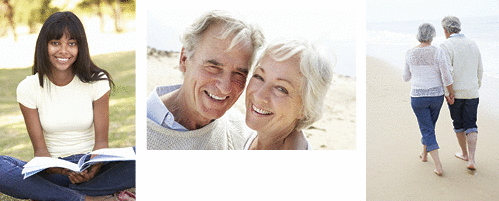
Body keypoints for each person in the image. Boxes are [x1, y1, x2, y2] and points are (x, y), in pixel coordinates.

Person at [0, 12, 135, 201]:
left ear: (80, 47)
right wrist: (60, 169)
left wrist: (94, 166)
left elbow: (102, 144)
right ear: (44, 46)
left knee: (144, 155)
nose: (64, 51)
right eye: (56, 43)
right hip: (55, 172)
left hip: (93, 168)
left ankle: (56, 195)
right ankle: (88, 198)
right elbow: (40, 152)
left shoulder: (97, 82)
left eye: (71, 43)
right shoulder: (28, 88)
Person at [147, 10, 264, 150]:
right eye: (213, 67)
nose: (225, 87)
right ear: (184, 59)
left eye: (239, 74)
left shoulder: (240, 130)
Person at [243, 39, 333, 150]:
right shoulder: (248, 137)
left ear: (305, 108)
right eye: (259, 77)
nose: (259, 96)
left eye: (281, 89)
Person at [403, 23, 455, 175]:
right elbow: (446, 76)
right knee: (429, 127)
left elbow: (406, 77)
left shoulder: (410, 53)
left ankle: (438, 166)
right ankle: (425, 154)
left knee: (427, 128)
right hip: (436, 96)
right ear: (432, 36)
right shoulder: (438, 52)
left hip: (418, 97)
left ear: (419, 35)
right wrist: (450, 93)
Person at [440, 16, 483, 170]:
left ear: (445, 30)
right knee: (471, 124)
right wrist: (476, 86)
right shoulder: (473, 43)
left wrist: (448, 93)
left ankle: (464, 154)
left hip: (455, 94)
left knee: (458, 124)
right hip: (472, 91)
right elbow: (480, 68)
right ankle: (472, 159)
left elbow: (446, 73)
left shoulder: (445, 45)